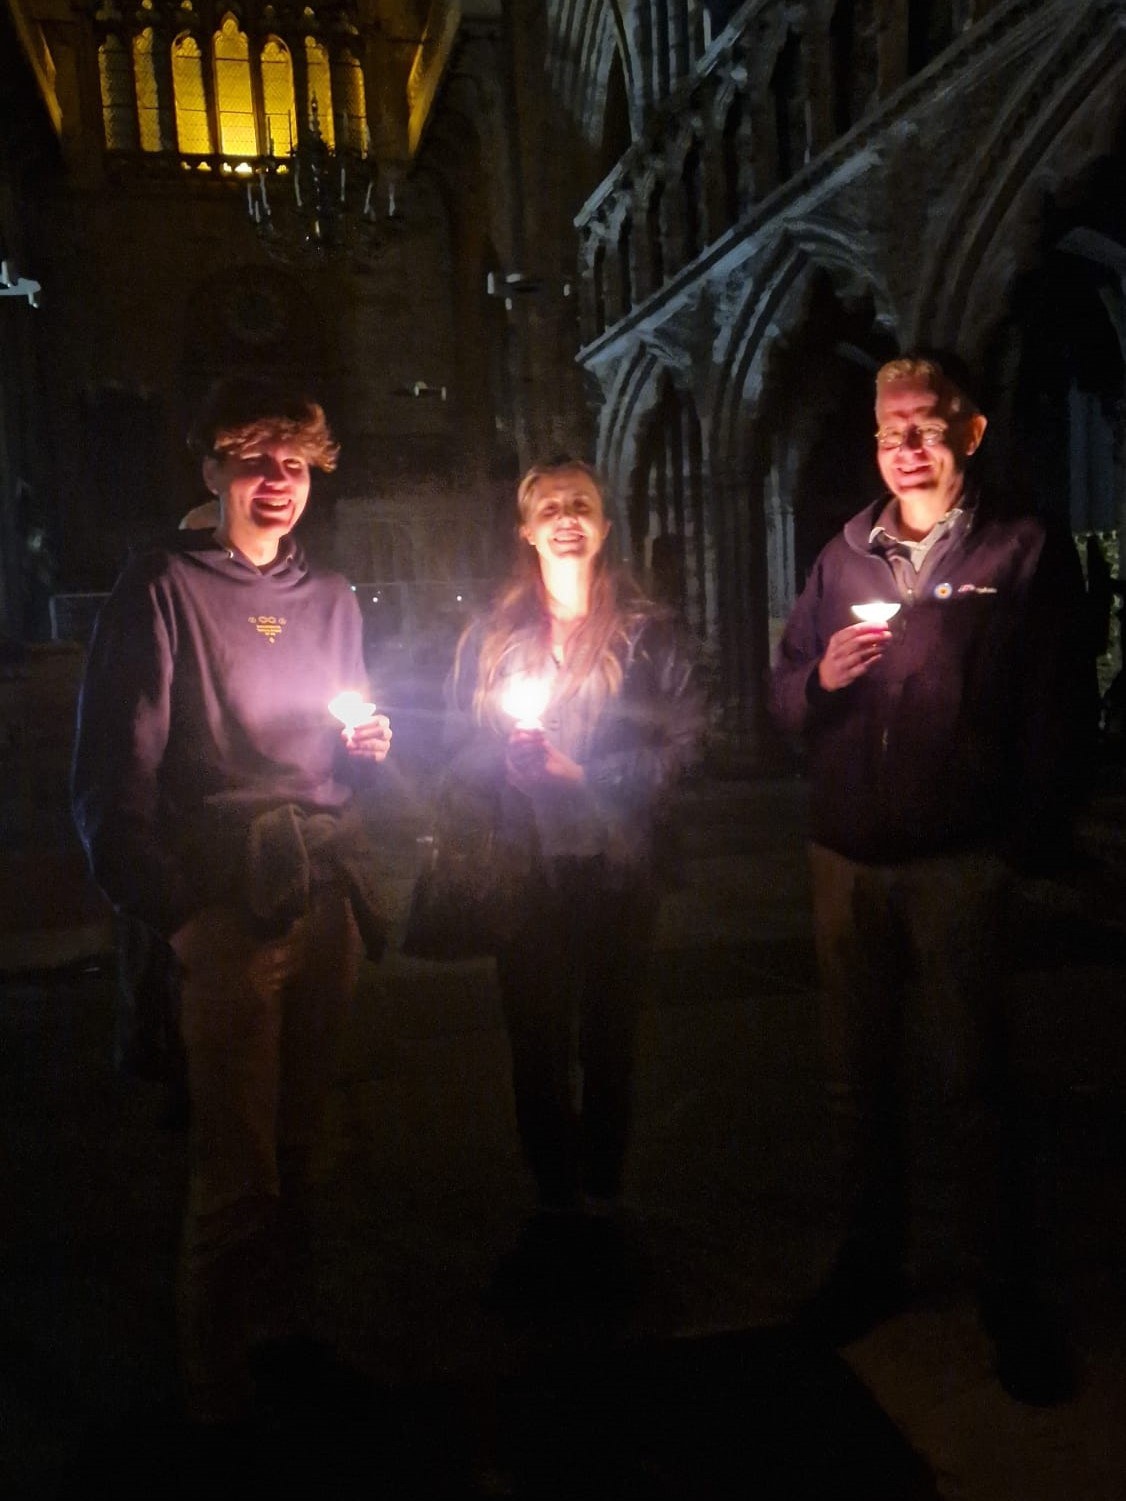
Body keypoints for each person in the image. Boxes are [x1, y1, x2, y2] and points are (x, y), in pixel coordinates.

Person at [770, 354, 1096, 1403]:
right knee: (854, 1081)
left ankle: (1007, 1293)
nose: (904, 444)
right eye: (887, 428)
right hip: (846, 858)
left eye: (925, 423)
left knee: (974, 1085)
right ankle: (870, 1264)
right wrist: (816, 681)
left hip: (957, 859)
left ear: (971, 432)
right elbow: (782, 685)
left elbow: (1057, 706)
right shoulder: (840, 557)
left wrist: (1025, 839)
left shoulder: (1022, 548)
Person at [71, 374, 392, 1434]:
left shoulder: (333, 599)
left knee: (306, 1155)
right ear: (210, 468)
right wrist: (178, 914)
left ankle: (287, 1343)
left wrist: (371, 756)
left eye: (293, 461)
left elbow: (350, 765)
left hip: (322, 898)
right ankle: (217, 1403)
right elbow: (111, 779)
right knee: (237, 1175)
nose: (274, 479)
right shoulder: (160, 587)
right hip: (224, 912)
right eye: (252, 457)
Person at [445, 458, 704, 1310]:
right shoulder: (491, 635)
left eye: (581, 505)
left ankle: (602, 1202)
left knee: (610, 1042)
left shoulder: (650, 633)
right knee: (536, 1044)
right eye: (548, 506)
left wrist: (583, 773)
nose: (565, 517)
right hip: (526, 871)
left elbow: (688, 742)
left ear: (603, 525)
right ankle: (554, 1205)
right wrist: (506, 768)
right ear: (524, 528)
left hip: (616, 870)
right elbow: (456, 746)